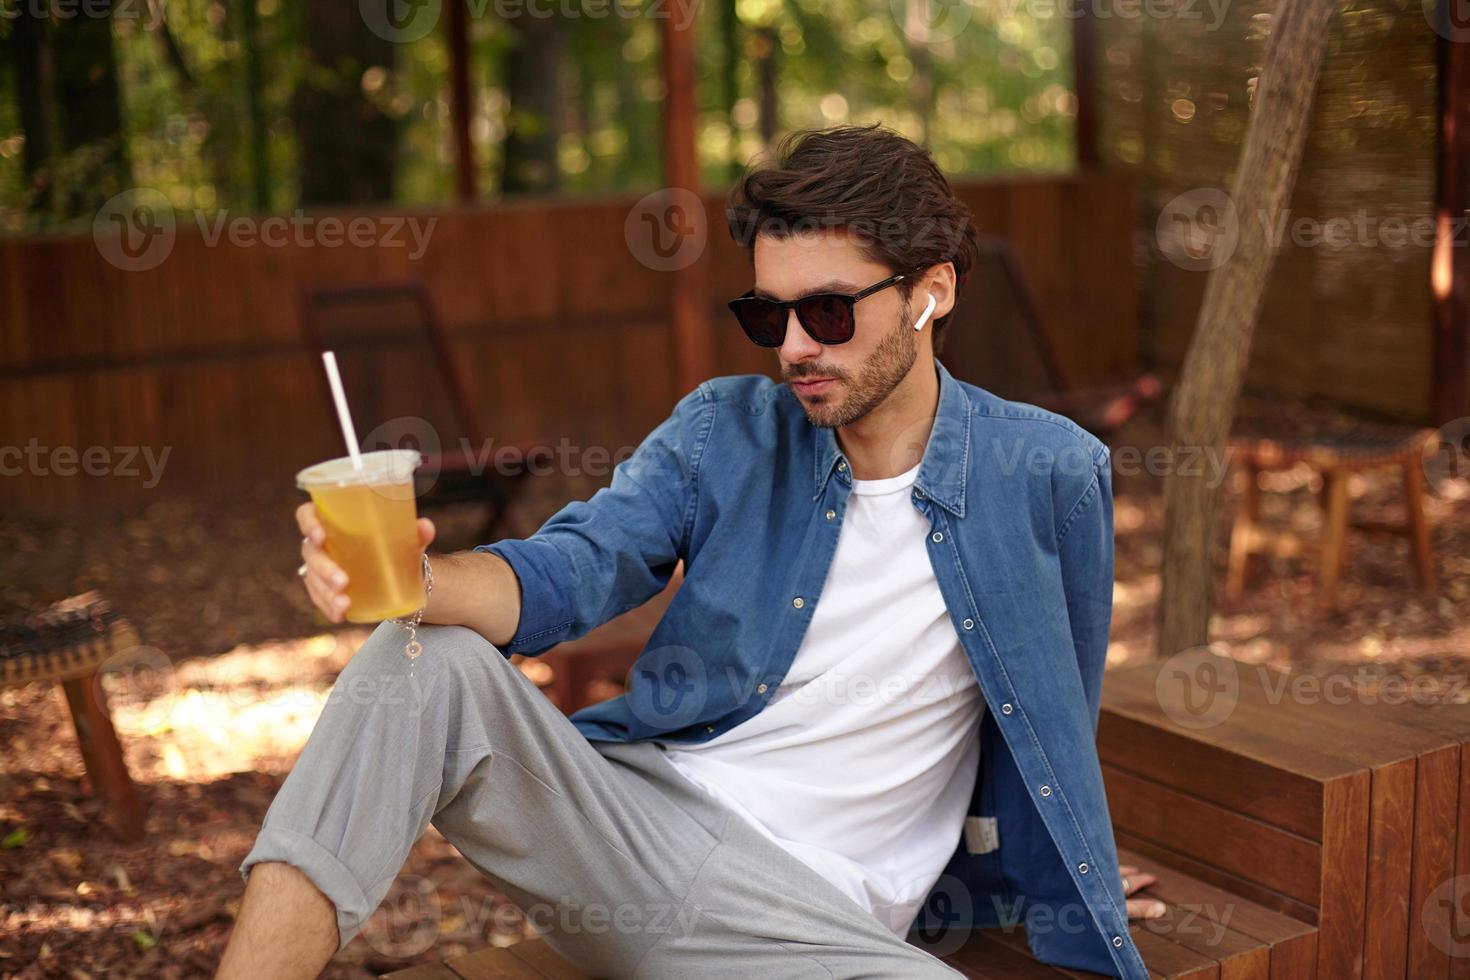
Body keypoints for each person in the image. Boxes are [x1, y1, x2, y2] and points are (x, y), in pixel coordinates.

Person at [216, 124, 1163, 980]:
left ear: (932, 292)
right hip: (637, 844)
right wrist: (417, 582)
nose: (792, 347)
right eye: (767, 316)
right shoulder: (725, 431)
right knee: (418, 659)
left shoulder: (1050, 473)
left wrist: (1064, 860)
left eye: (827, 312)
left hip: (813, 931)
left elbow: (1049, 705)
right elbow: (575, 566)